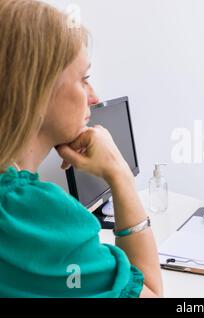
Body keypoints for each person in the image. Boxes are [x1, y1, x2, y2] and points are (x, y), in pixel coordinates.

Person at [0, 0, 162, 297]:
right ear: (37, 90)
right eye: (84, 79)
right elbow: (151, 291)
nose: (94, 97)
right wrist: (119, 173)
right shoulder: (28, 215)